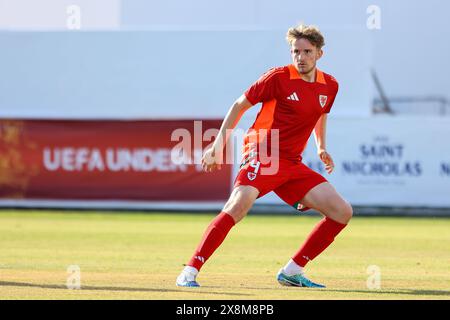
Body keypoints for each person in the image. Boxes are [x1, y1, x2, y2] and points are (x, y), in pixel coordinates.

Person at [176, 24, 353, 288]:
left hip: (292, 163)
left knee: (342, 211)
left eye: (307, 51)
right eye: (296, 51)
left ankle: (292, 271)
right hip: (263, 153)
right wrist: (217, 145)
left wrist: (320, 146)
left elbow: (321, 114)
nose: (300, 57)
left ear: (319, 54)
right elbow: (239, 105)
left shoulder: (330, 85)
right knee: (238, 206)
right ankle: (189, 271)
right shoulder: (277, 78)